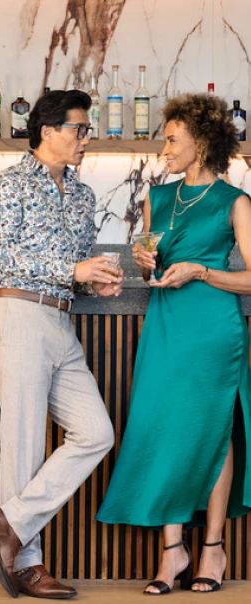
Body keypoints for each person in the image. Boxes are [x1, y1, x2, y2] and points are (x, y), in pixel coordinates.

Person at [97, 93, 251, 595]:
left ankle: (212, 547)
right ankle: (172, 551)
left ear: (201, 144)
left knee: (212, 431)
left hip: (213, 330)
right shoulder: (157, 197)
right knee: (164, 427)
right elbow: (152, 256)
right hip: (164, 325)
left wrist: (203, 270)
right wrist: (147, 264)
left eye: (171, 139)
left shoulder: (236, 201)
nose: (163, 147)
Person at [0, 89, 122, 599]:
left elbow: (77, 267)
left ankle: (10, 521)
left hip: (61, 322)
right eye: (79, 130)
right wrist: (71, 270)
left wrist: (94, 280)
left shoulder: (83, 196)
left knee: (96, 433)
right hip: (17, 313)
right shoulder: (8, 185)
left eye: (87, 130)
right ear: (47, 132)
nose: (87, 139)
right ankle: (28, 566)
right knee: (22, 444)